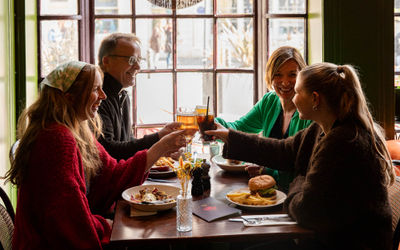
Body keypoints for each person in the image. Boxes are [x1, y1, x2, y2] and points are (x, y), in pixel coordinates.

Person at [207, 62, 395, 249]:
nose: (293, 99)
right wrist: (230, 137)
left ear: (315, 99)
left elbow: (307, 211)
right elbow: (284, 151)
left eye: (297, 92)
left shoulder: (342, 141)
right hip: (328, 236)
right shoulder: (322, 127)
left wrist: (298, 182)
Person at [5, 61, 186, 249]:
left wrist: (159, 149)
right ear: (69, 97)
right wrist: (104, 226)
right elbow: (67, 221)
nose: (103, 95)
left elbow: (112, 175)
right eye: (95, 89)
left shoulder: (77, 130)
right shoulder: (57, 139)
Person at [215, 46, 312, 191]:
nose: (285, 82)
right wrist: (213, 124)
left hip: (295, 196)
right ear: (270, 76)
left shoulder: (309, 111)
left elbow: (303, 166)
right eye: (278, 75)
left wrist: (267, 171)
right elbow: (239, 128)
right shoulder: (269, 101)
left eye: (292, 75)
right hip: (268, 192)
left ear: (302, 76)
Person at [98, 33, 181, 160]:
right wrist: (158, 138)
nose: (138, 67)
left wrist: (160, 150)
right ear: (106, 61)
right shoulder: (98, 99)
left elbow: (127, 142)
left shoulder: (122, 95)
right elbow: (109, 151)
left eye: (138, 60)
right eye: (131, 60)